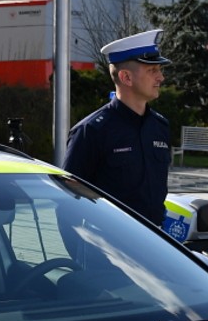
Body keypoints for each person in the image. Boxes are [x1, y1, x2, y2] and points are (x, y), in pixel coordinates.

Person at [65, 28, 172, 223]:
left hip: (155, 246)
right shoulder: (91, 131)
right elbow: (69, 202)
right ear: (126, 78)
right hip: (109, 247)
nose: (161, 77)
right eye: (152, 70)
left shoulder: (160, 127)